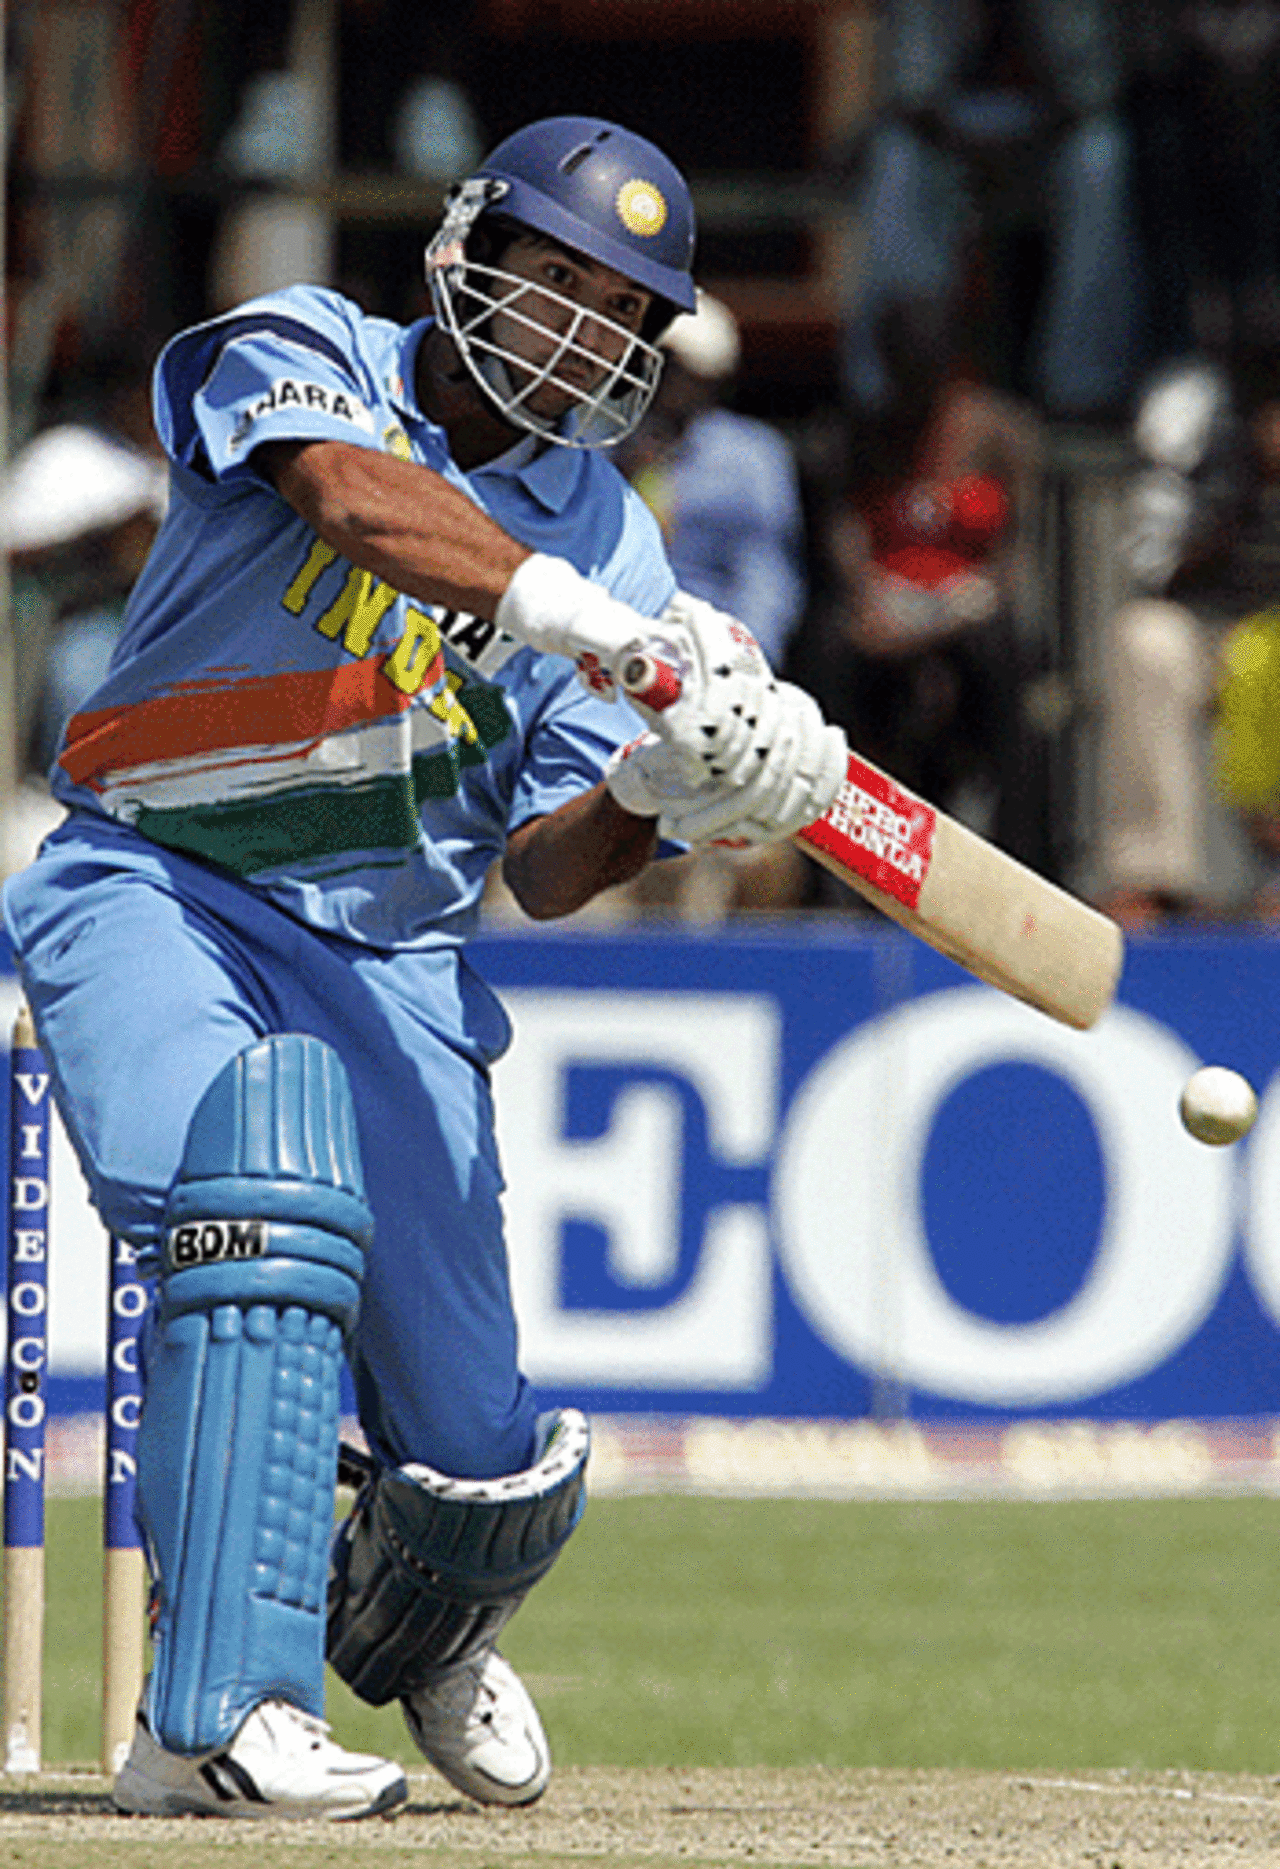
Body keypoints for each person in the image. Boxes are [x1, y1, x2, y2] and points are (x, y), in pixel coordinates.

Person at [3, 117, 845, 1822]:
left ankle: (427, 1619)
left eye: (622, 314)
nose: (581, 334)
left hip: (392, 959)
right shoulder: (304, 345)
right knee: (250, 1211)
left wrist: (660, 789)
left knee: (477, 1462)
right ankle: (219, 1719)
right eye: (556, 283)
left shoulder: (614, 539)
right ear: (466, 253)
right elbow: (344, 497)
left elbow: (543, 870)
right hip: (155, 880)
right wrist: (582, 623)